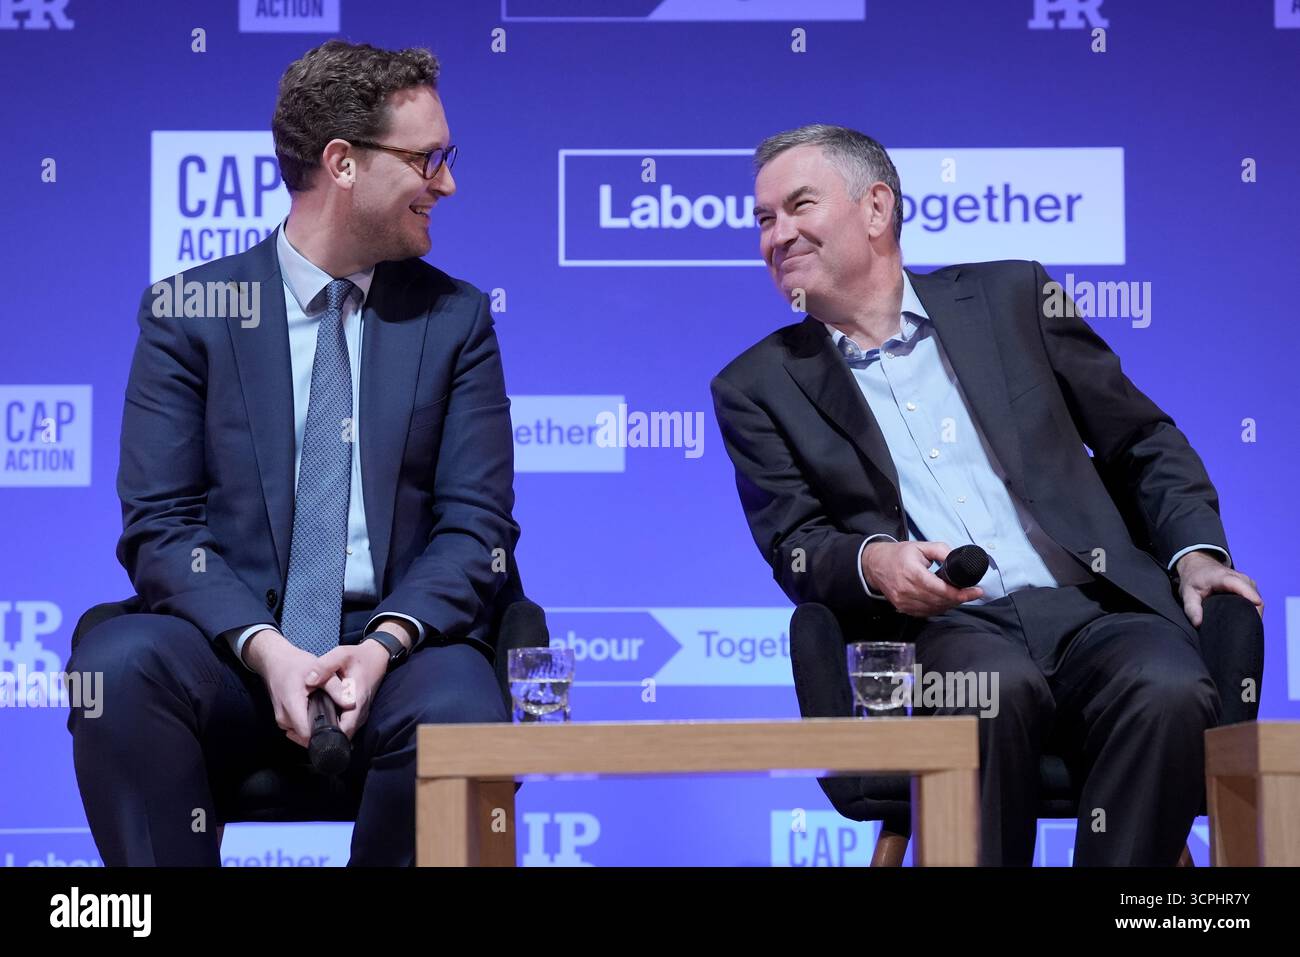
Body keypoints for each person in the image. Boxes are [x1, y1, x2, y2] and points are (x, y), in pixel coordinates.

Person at [711, 124, 1263, 865]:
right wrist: (877, 563)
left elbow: (1142, 439)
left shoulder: (1013, 297)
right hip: (952, 629)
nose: (777, 236)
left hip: (1095, 607)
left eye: (797, 207)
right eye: (764, 220)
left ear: (876, 209)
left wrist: (1195, 553)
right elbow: (796, 543)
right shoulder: (755, 386)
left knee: (1167, 687)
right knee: (984, 690)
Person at [67, 40, 519, 866]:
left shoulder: (455, 320)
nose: (446, 183)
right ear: (343, 163)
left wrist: (382, 644)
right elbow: (161, 528)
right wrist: (266, 648)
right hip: (229, 651)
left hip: (393, 653)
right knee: (120, 669)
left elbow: (475, 527)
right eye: (428, 159)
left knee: (458, 705)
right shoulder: (190, 311)